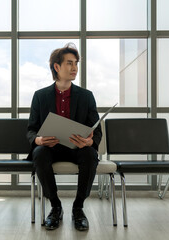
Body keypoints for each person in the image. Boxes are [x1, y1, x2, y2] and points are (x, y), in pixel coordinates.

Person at [26, 43, 102, 231]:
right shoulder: (40, 96)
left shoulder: (86, 96)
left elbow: (97, 131)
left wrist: (89, 141)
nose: (75, 67)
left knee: (90, 154)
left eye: (76, 63)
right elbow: (31, 130)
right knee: (39, 152)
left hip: (77, 148)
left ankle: (78, 208)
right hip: (51, 148)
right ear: (56, 67)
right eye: (69, 63)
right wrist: (38, 140)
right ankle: (55, 206)